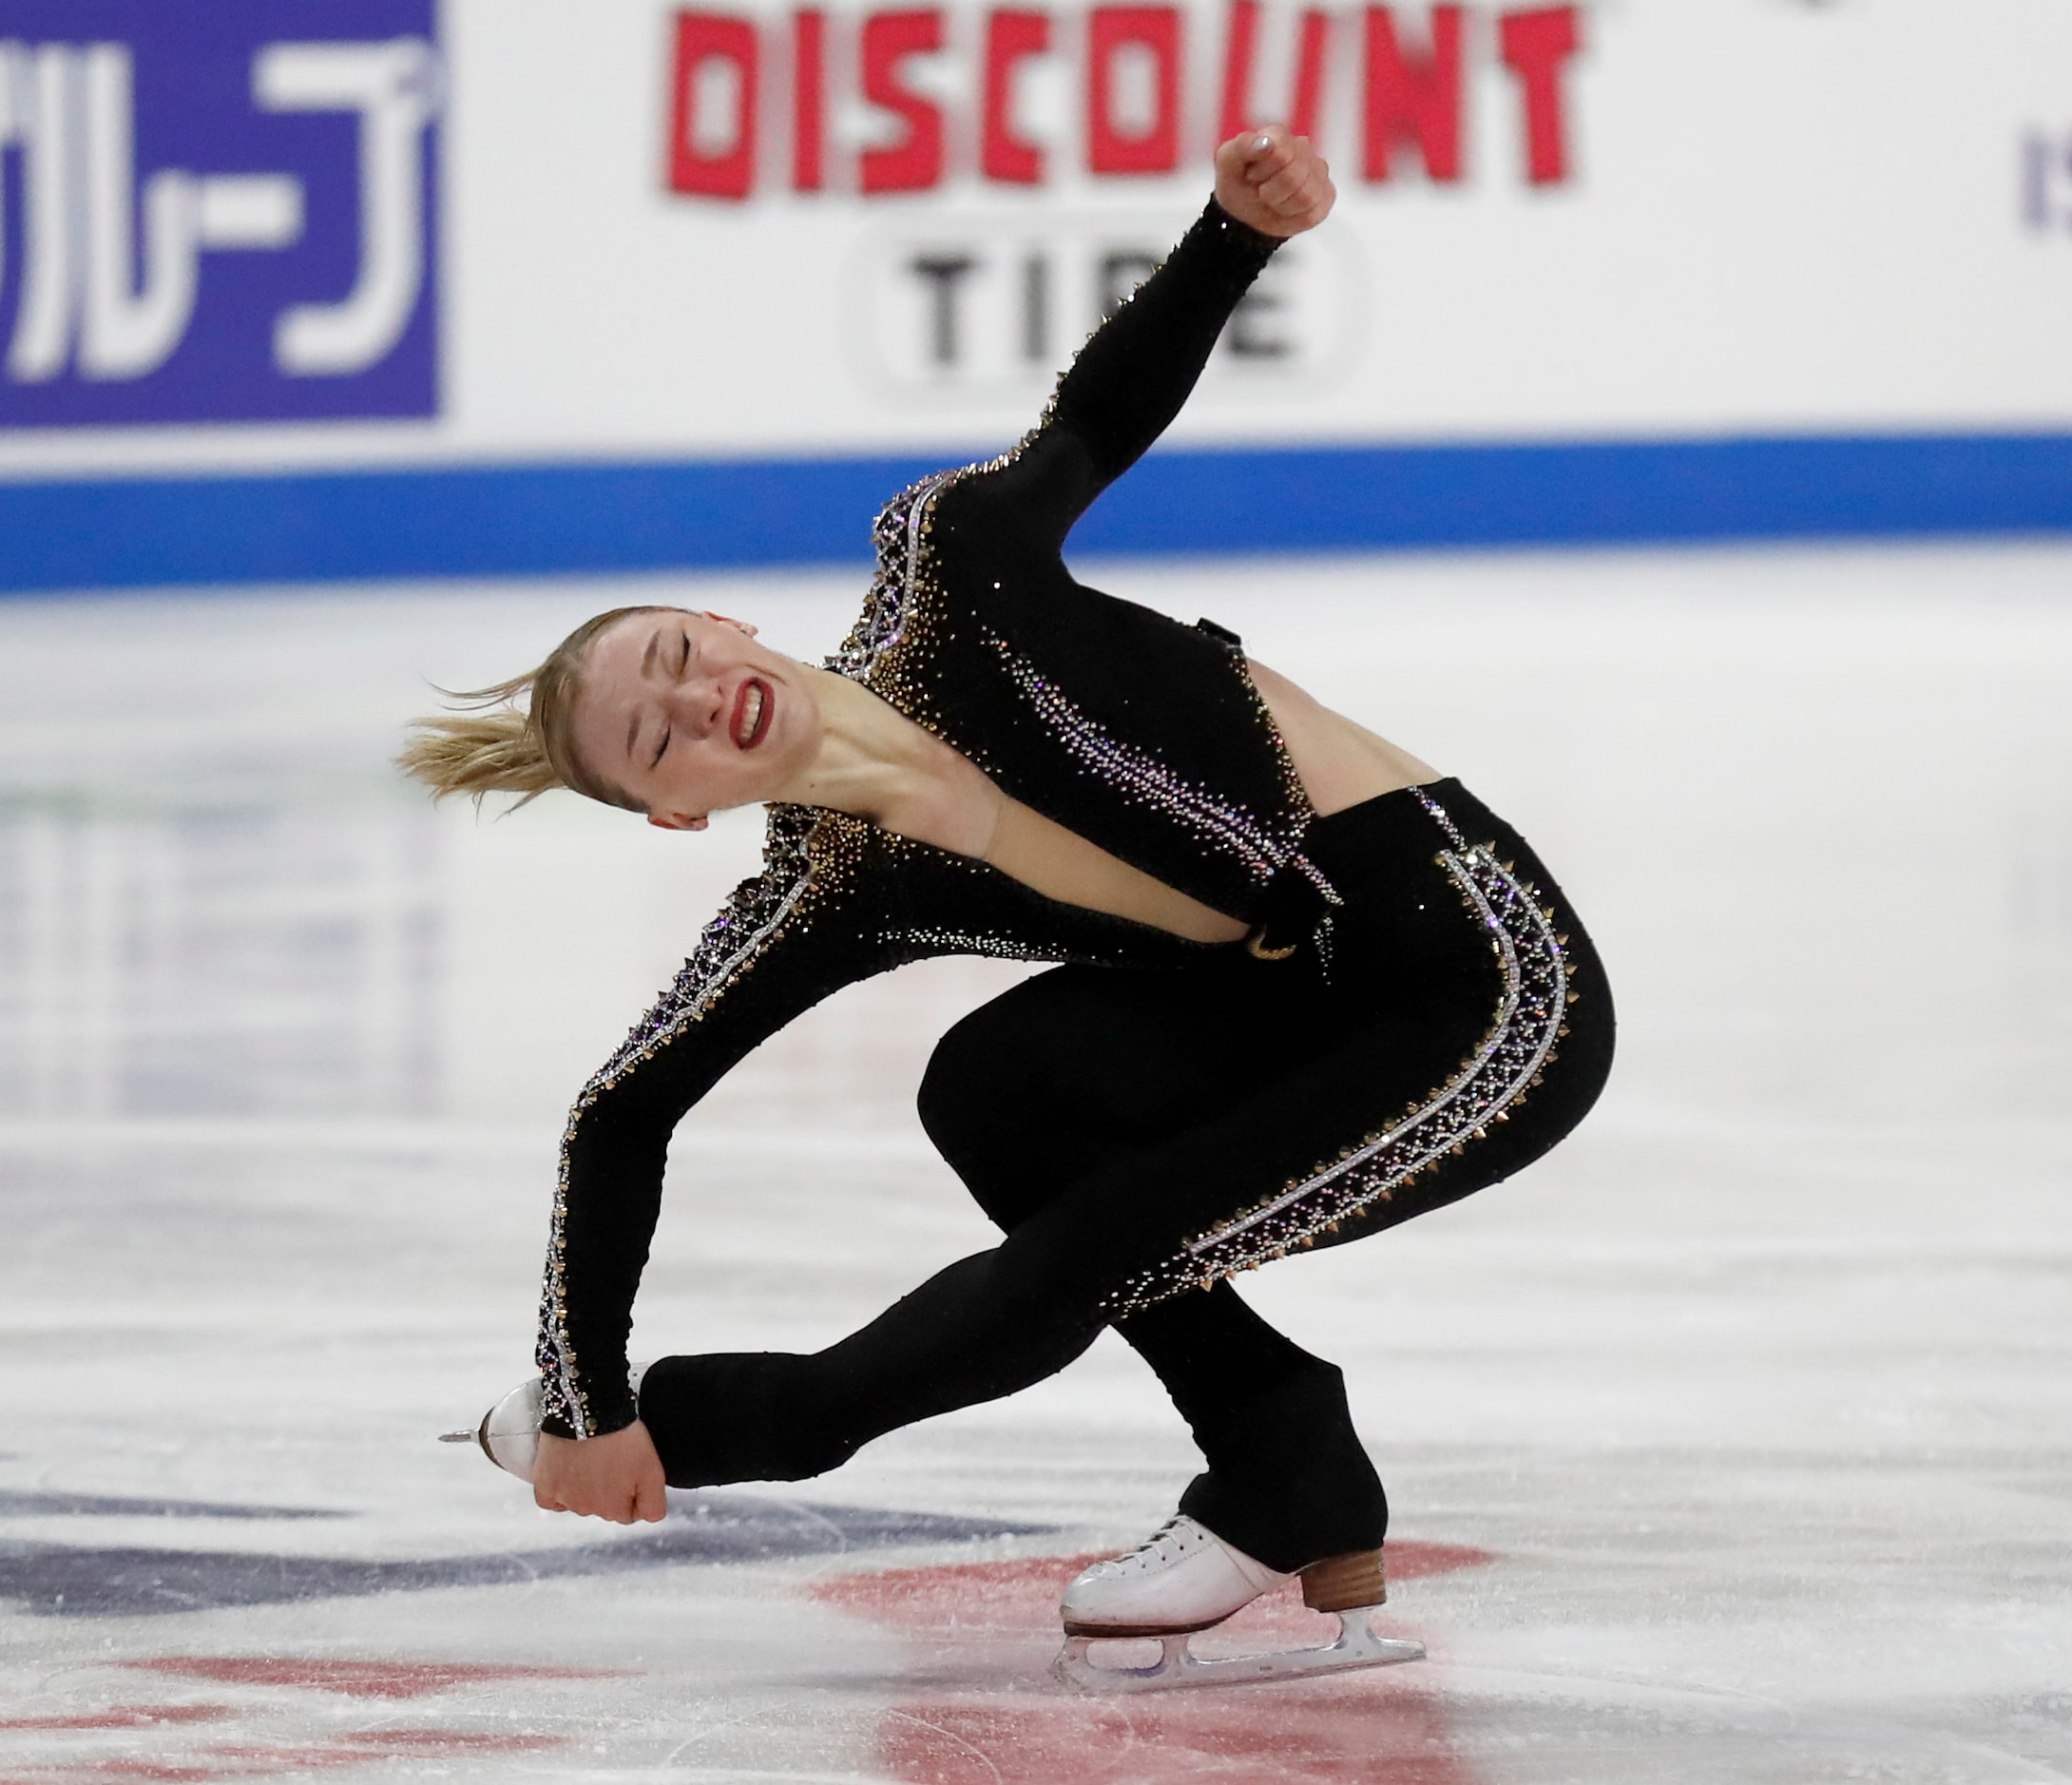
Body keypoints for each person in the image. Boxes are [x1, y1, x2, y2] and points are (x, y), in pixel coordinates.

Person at [402, 128, 1614, 1682]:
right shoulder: (833, 886)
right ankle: (1284, 1456)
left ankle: (762, 1427)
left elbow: (1091, 421)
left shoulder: (948, 569)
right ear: (676, 806)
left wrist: (1231, 237)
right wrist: (583, 1387)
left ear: (723, 621)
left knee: (1090, 1244)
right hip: (1300, 1007)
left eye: (679, 656)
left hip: (1478, 978)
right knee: (996, 1089)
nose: (700, 700)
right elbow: (621, 1107)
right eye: (658, 734)